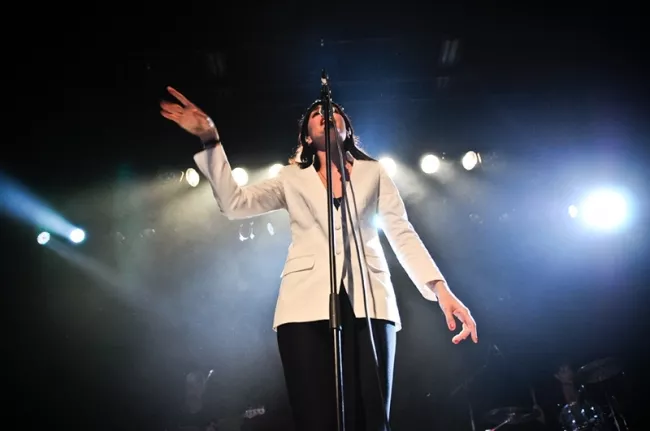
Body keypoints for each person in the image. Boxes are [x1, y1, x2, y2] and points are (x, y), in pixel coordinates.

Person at [160, 86, 478, 431]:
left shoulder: (374, 173)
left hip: (370, 302)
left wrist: (440, 290)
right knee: (316, 418)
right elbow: (234, 204)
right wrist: (210, 139)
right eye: (315, 114)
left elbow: (401, 232)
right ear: (307, 137)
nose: (325, 115)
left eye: (333, 111)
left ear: (347, 129)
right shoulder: (289, 178)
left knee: (371, 418)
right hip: (303, 307)